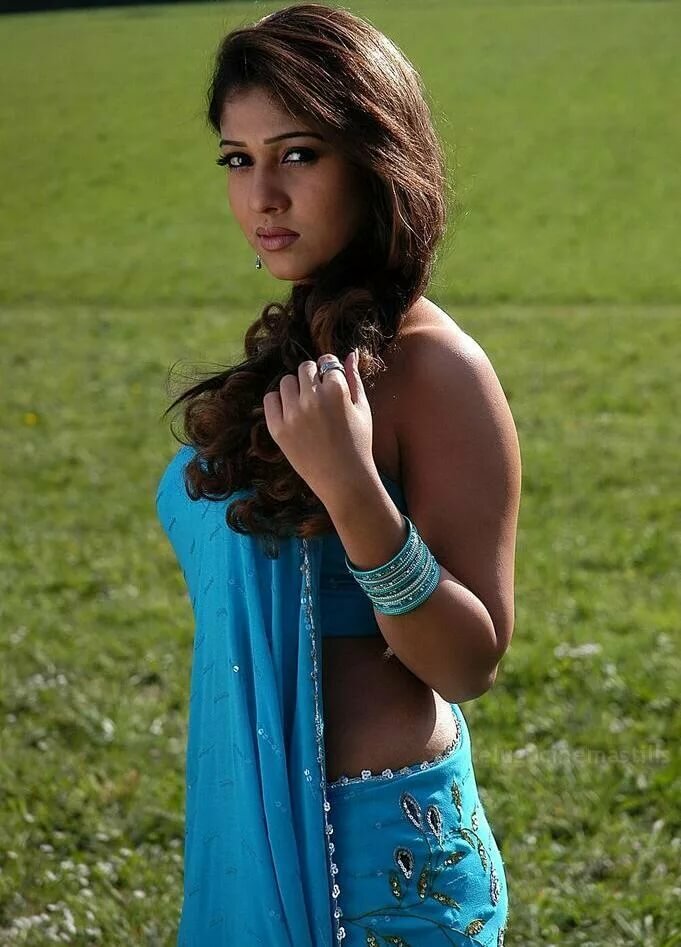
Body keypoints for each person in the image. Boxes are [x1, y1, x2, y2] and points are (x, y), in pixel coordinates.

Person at [156, 4, 521, 945]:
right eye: (237, 159)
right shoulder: (303, 351)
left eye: (298, 154)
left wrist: (354, 492)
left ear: (374, 158)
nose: (262, 195)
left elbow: (468, 662)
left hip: (375, 862)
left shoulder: (435, 368)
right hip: (251, 809)